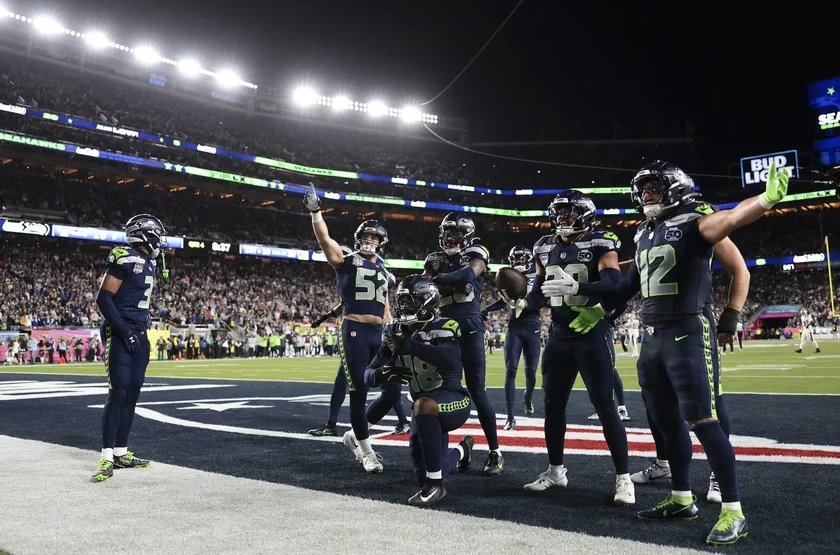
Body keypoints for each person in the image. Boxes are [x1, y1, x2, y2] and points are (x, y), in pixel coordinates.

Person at [570, 160, 789, 545]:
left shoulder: (694, 218)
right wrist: (595, 305)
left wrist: (764, 201)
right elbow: (629, 285)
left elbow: (730, 218)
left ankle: (734, 511)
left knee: (703, 419)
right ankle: (681, 498)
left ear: (674, 187)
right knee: (665, 421)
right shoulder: (643, 231)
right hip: (652, 337)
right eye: (642, 189)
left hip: (688, 331)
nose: (646, 195)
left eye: (653, 187)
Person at [516, 190, 634, 505]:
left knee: (605, 405)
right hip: (558, 335)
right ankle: (556, 471)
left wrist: (578, 286)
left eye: (569, 212)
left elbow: (613, 284)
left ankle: (624, 478)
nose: (562, 217)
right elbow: (539, 292)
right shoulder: (543, 246)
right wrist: (523, 302)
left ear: (585, 215)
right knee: (553, 405)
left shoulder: (601, 241)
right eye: (559, 212)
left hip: (592, 332)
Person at [630, 237, 749, 507]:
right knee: (660, 408)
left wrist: (731, 314)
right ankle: (668, 472)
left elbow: (739, 267)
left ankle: (719, 480)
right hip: (657, 329)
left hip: (692, 326)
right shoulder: (647, 231)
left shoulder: (698, 220)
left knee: (710, 403)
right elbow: (637, 270)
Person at [302, 184, 396, 473]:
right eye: (365, 236)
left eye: (374, 237)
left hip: (379, 334)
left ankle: (355, 434)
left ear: (381, 242)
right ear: (358, 239)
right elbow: (324, 239)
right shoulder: (346, 259)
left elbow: (386, 307)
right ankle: (366, 452)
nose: (369, 240)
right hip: (354, 331)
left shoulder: (384, 270)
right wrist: (316, 212)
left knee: (393, 391)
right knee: (359, 391)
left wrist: (393, 331)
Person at [365, 275, 473, 505]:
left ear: (428, 300)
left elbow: (450, 358)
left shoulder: (445, 326)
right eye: (401, 300)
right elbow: (368, 375)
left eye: (410, 300)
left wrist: (409, 345)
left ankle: (437, 487)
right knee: (424, 473)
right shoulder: (394, 330)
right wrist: (380, 373)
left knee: (423, 404)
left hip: (453, 400)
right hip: (423, 411)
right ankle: (463, 449)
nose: (403, 306)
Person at [423, 212, 502, 475]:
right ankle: (445, 449)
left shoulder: (477, 252)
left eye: (455, 234)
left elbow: (468, 274)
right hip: (443, 331)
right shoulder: (434, 259)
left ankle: (495, 451)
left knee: (477, 390)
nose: (449, 238)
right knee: (440, 389)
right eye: (446, 233)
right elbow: (424, 286)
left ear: (467, 236)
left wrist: (436, 281)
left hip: (469, 328)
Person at [91, 213, 167, 483]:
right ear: (145, 234)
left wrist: (136, 330)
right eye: (157, 234)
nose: (160, 240)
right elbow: (104, 298)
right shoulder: (123, 256)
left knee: (133, 392)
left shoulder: (150, 262)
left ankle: (121, 452)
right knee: (119, 391)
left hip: (139, 330)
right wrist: (124, 331)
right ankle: (106, 455)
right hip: (119, 330)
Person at [308, 300, 410, 437]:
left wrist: (327, 316)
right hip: (374, 333)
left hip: (360, 333)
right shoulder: (380, 288)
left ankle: (338, 426)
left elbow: (348, 303)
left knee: (347, 381)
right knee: (386, 384)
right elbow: (385, 313)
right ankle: (402, 422)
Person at [482, 245, 544, 430]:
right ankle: (510, 417)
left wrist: (526, 303)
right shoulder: (509, 276)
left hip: (532, 327)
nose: (518, 262)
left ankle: (528, 397)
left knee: (531, 373)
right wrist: (486, 309)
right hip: (514, 327)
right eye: (515, 259)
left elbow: (543, 300)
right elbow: (502, 302)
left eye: (521, 259)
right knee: (511, 370)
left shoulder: (537, 276)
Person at [586, 304, 630, 422]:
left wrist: (610, 318)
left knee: (610, 369)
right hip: (588, 329)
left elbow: (623, 304)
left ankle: (621, 408)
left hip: (602, 328)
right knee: (593, 371)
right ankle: (600, 408)